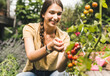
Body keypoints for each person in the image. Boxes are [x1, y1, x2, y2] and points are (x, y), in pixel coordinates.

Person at [16, 0, 80, 76]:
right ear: (43, 14)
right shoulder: (30, 28)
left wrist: (66, 55)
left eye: (59, 14)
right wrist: (49, 47)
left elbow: (60, 69)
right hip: (34, 73)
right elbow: (31, 56)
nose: (55, 17)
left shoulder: (64, 36)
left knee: (62, 74)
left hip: (54, 73)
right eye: (52, 13)